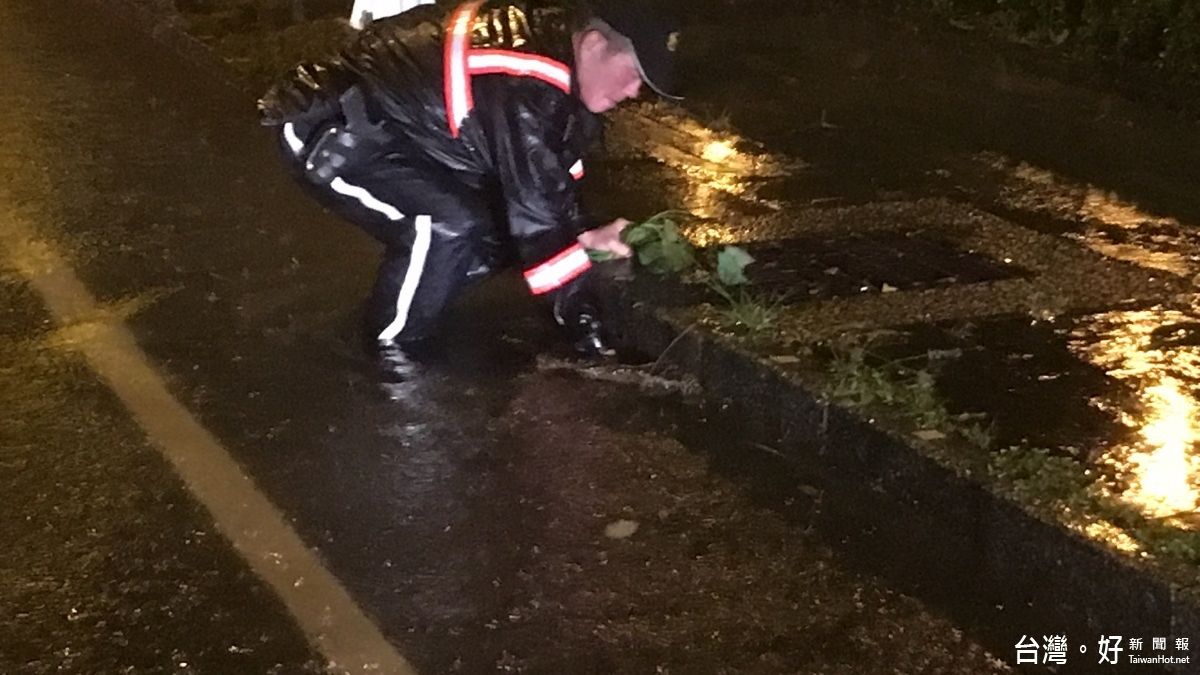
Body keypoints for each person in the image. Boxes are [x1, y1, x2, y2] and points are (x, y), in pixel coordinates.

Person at [258, 0, 682, 357]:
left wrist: (583, 234)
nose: (633, 92)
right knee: (448, 226)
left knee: (490, 231)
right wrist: (588, 332)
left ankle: (411, 306)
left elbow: (546, 184)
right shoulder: (530, 80)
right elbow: (537, 215)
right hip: (331, 129)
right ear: (593, 45)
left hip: (400, 135)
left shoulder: (558, 62)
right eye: (633, 74)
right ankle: (392, 354)